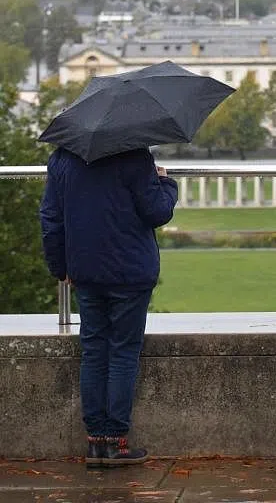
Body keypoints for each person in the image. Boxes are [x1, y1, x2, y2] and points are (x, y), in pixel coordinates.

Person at [39, 147, 177, 468]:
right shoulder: (134, 154)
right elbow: (157, 212)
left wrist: (61, 267)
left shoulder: (63, 158)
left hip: (85, 270)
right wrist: (167, 185)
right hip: (130, 272)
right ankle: (115, 441)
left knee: (94, 350)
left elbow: (50, 217)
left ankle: (96, 443)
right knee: (123, 352)